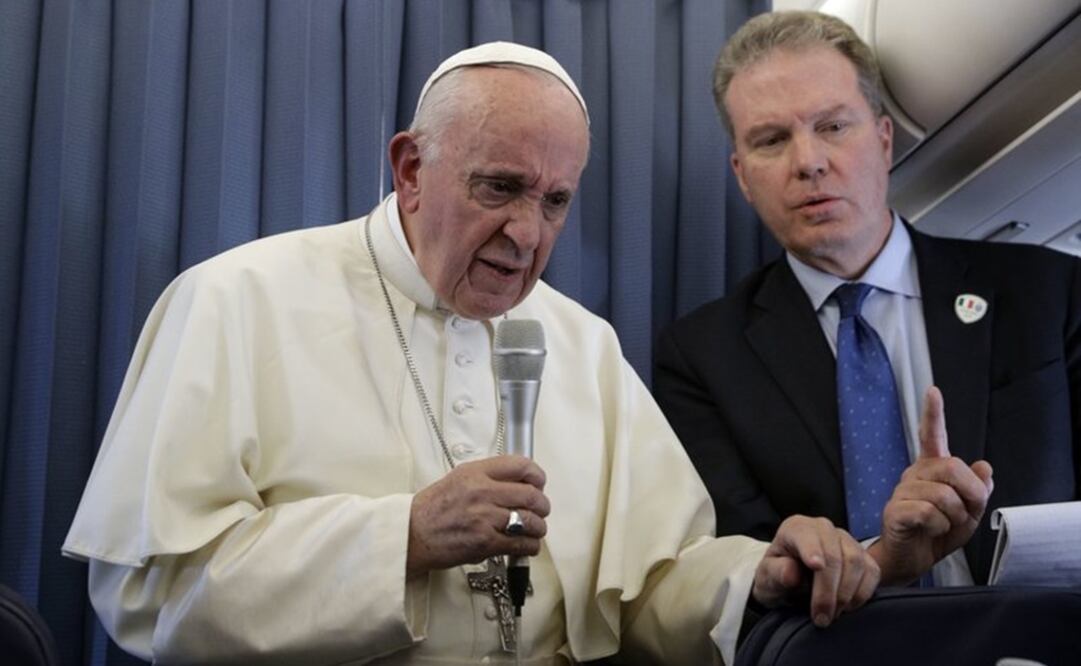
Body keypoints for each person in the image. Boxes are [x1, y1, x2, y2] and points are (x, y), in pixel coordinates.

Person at [64, 42, 880, 665]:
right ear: (412, 170)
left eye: (554, 201)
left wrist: (752, 579)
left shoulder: (582, 346)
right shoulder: (236, 300)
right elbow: (147, 589)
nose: (527, 234)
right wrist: (405, 536)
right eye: (499, 187)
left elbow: (650, 586)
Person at [655, 10, 1078, 588]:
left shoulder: (1049, 292)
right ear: (743, 177)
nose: (808, 162)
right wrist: (876, 560)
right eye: (772, 139)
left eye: (832, 126)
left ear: (883, 141)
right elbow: (741, 573)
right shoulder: (701, 357)